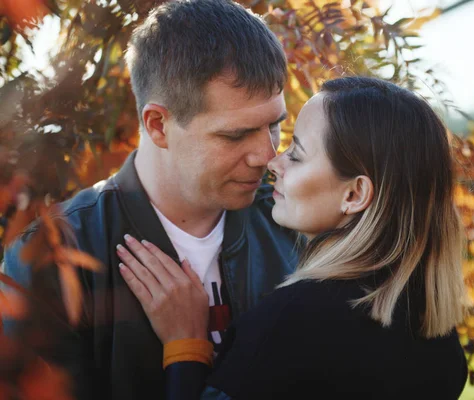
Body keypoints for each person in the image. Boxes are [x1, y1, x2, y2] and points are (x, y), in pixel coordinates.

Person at [2, 1, 299, 399]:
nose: (267, 155)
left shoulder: (298, 224)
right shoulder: (50, 255)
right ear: (158, 125)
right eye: (235, 135)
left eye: (274, 125)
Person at [118, 76, 469, 400]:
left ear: (354, 195)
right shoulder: (441, 340)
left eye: (297, 155)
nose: (273, 162)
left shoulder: (288, 326)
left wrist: (186, 347)